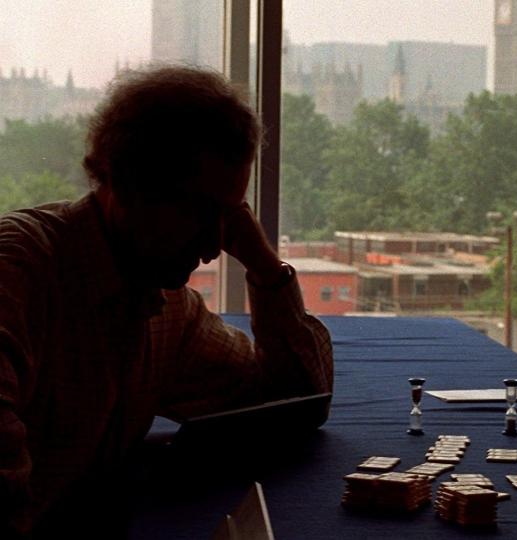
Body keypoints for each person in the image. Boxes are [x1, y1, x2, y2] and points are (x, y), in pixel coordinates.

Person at [0, 66, 333, 537]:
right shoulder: (19, 270)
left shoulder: (168, 308)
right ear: (125, 183)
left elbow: (294, 406)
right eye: (200, 211)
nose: (216, 245)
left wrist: (265, 268)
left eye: (229, 216)